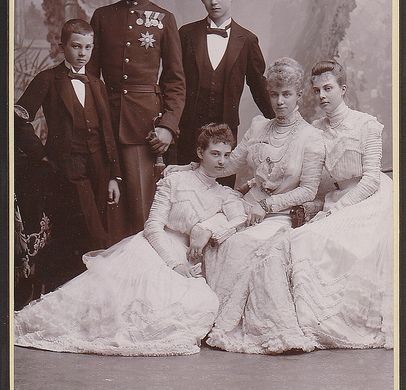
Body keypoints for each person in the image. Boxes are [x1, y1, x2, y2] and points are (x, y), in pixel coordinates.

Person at [14, 124, 248, 357]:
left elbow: (239, 220)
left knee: (199, 305)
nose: (221, 161)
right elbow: (153, 226)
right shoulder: (175, 181)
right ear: (200, 153)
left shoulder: (224, 195)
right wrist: (173, 264)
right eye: (215, 154)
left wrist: (206, 229)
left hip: (187, 255)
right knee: (117, 303)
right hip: (155, 248)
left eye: (227, 155)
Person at [167, 58, 325, 353]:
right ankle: (201, 317)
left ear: (298, 95)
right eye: (274, 93)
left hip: (278, 216)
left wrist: (268, 204)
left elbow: (309, 189)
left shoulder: (311, 138)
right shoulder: (258, 126)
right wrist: (192, 167)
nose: (279, 101)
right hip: (243, 208)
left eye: (286, 94)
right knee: (214, 240)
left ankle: (231, 324)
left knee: (245, 245)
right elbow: (229, 164)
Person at [241, 59, 393, 353]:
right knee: (300, 241)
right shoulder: (314, 130)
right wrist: (317, 205)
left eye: (328, 88)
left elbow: (372, 179)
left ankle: (332, 320)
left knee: (323, 241)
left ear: (343, 89)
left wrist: (338, 209)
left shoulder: (366, 125)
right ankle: (306, 322)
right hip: (334, 198)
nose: (322, 95)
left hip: (370, 199)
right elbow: (318, 184)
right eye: (317, 90)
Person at [87, 0, 185, 236]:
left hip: (144, 127)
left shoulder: (164, 19)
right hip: (105, 121)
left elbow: (176, 81)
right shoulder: (102, 17)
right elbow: (90, 78)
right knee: (107, 209)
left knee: (142, 209)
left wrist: (168, 126)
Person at [16, 19, 121, 254]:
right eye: (76, 46)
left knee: (93, 226)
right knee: (93, 231)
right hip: (68, 165)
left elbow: (108, 132)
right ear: (62, 46)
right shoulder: (48, 79)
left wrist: (115, 176)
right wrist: (41, 154)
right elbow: (17, 117)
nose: (82, 53)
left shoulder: (96, 84)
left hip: (99, 166)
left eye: (88, 47)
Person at [177, 0, 273, 185]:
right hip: (189, 133)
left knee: (220, 198)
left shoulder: (247, 40)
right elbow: (174, 83)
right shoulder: (186, 35)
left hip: (225, 138)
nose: (214, 2)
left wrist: (282, 121)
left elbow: (259, 87)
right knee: (183, 195)